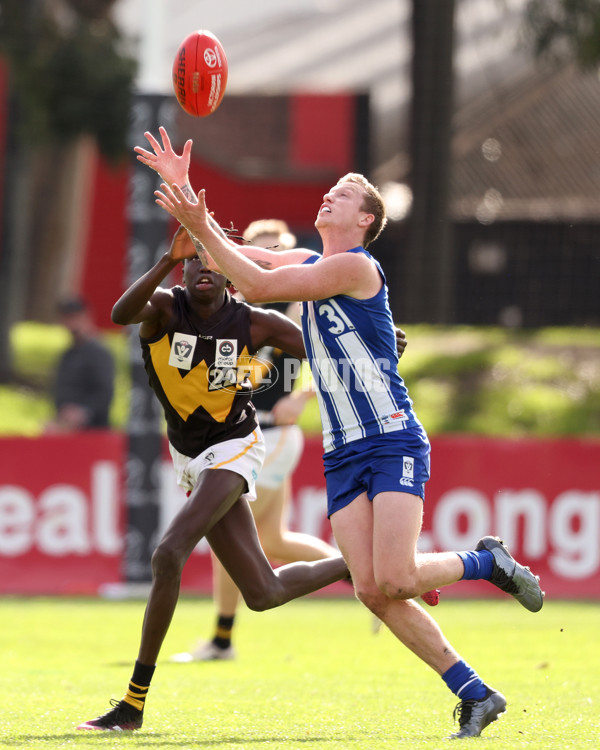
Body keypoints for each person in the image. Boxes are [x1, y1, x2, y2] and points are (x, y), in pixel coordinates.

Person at [145, 126, 544, 740]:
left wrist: (203, 225)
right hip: (341, 452)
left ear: (365, 220)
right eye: (330, 190)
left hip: (389, 437)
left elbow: (255, 287)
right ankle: (475, 692)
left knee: (399, 578)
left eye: (343, 193)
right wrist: (185, 193)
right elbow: (240, 255)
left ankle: (483, 560)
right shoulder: (311, 259)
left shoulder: (357, 267)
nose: (329, 196)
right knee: (373, 591)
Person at [76, 225, 350, 732]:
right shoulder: (163, 308)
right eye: (193, 262)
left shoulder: (256, 322)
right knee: (263, 592)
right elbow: (118, 315)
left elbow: (321, 350)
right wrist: (162, 261)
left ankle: (132, 705)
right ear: (183, 271)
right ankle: (361, 563)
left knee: (167, 553)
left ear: (231, 275)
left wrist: (374, 341)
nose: (204, 269)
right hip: (190, 457)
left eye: (214, 262)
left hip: (237, 448)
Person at [171, 218, 341, 663]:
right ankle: (366, 571)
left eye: (270, 250)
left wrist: (302, 395)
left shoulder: (291, 298)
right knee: (273, 540)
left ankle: (222, 640)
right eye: (252, 250)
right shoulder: (231, 303)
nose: (259, 259)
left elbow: (321, 353)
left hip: (267, 432)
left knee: (225, 533)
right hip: (246, 432)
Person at [45, 297, 115, 432]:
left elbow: (105, 393)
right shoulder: (67, 355)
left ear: (85, 316)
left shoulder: (99, 353)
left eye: (73, 317)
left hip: (93, 432)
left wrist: (82, 412)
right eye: (66, 317)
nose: (70, 323)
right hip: (66, 428)